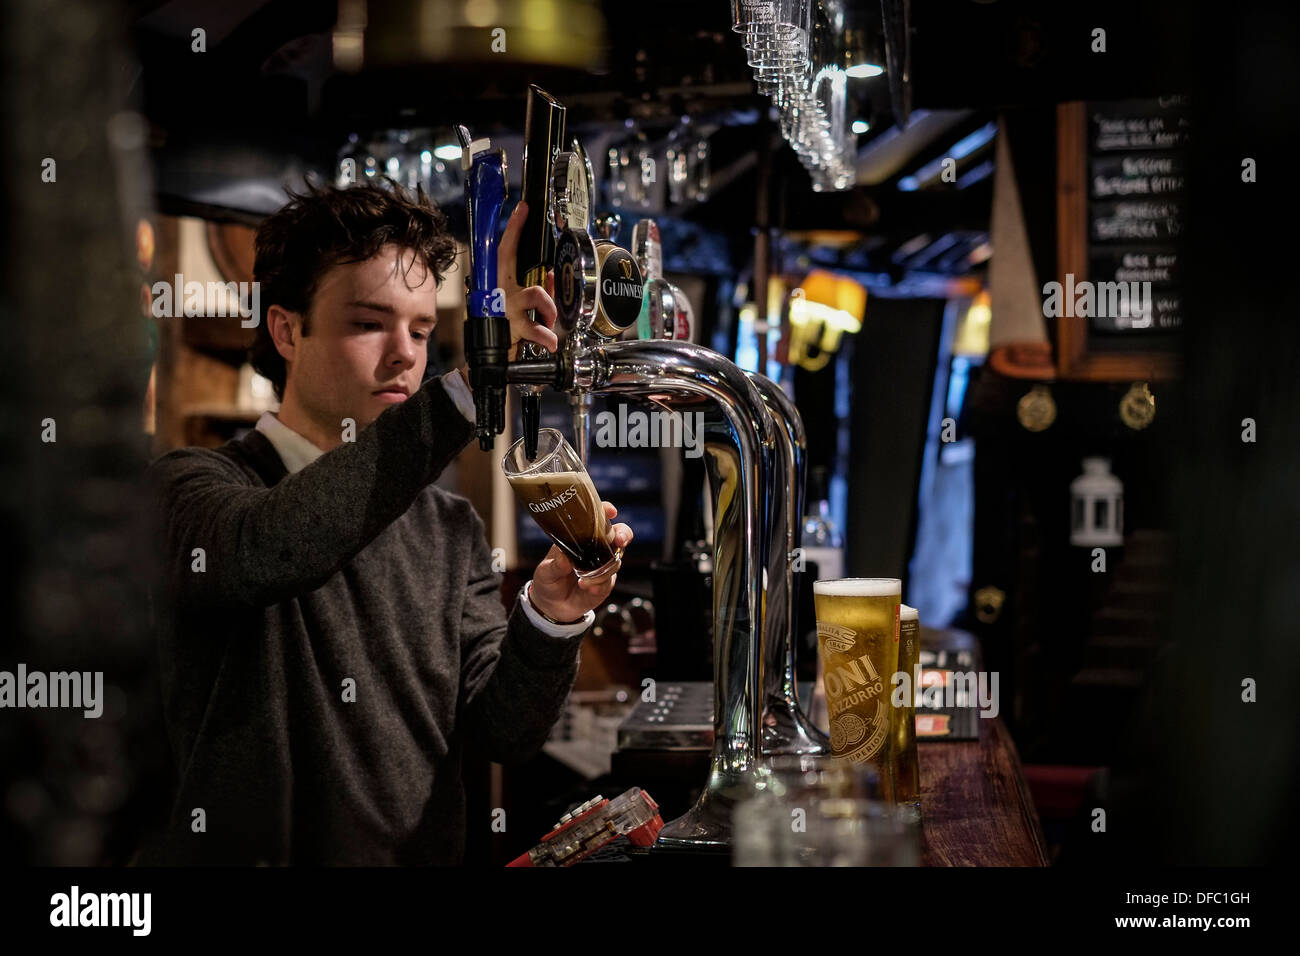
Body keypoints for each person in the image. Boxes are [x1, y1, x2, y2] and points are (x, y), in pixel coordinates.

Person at [139, 180, 632, 864]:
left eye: (423, 330)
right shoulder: (193, 491)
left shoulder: (448, 525)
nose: (405, 354)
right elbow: (275, 548)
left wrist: (550, 616)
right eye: (369, 323)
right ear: (287, 329)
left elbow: (501, 732)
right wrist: (467, 386)